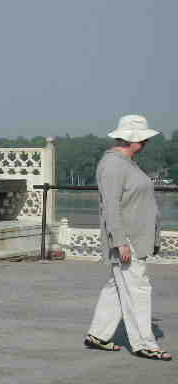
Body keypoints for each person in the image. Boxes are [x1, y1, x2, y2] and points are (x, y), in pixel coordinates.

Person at [84, 115, 172, 361]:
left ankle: (98, 334)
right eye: (143, 138)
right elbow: (110, 206)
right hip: (128, 238)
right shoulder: (113, 165)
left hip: (136, 235)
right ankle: (144, 343)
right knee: (138, 289)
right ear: (134, 139)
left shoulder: (127, 162)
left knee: (117, 286)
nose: (146, 142)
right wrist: (120, 241)